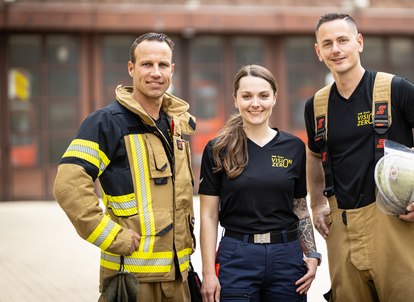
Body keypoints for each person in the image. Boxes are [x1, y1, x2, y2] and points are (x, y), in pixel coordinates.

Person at [304, 13, 414, 302]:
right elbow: (313, 157)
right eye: (327, 44)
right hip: (341, 230)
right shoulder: (315, 106)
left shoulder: (395, 89)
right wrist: (316, 202)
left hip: (393, 224)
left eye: (343, 40)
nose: (335, 49)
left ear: (359, 42)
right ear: (318, 51)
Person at [53, 32, 197, 302]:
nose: (156, 72)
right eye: (146, 64)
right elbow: (69, 185)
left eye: (163, 65)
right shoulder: (106, 122)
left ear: (172, 70)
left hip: (179, 278)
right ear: (131, 68)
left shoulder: (174, 125)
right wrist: (111, 235)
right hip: (132, 281)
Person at [199, 64, 320, 302]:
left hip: (287, 256)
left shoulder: (294, 147)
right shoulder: (217, 149)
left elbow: (299, 206)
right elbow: (209, 215)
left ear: (274, 98)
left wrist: (313, 253)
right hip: (237, 256)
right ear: (236, 100)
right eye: (247, 96)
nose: (256, 103)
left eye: (263, 96)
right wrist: (207, 274)